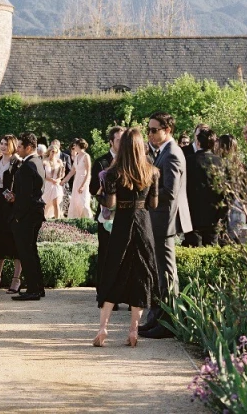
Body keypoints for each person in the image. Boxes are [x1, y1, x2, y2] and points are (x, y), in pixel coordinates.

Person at [94, 128, 160, 348]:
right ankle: (133, 330)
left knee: (113, 271)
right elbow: (154, 204)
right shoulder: (152, 172)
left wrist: (100, 197)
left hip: (122, 225)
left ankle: (103, 328)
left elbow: (110, 203)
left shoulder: (113, 173)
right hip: (143, 224)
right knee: (140, 276)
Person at [139, 112, 192, 339]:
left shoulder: (172, 154)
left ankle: (168, 323)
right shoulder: (163, 153)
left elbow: (170, 192)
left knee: (167, 273)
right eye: (148, 130)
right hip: (160, 219)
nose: (149, 134)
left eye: (153, 130)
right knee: (159, 272)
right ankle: (157, 319)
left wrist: (145, 194)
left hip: (165, 220)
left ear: (167, 130)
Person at [5, 132, 45, 301]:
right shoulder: (37, 162)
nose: (18, 149)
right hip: (34, 213)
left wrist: (17, 215)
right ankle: (38, 287)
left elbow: (27, 196)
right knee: (31, 251)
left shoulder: (29, 165)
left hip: (27, 215)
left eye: (20, 146)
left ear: (29, 147)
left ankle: (33, 289)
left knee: (26, 252)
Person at [90, 126, 124, 295]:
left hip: (124, 214)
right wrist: (105, 198)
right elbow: (92, 188)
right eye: (119, 139)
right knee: (105, 252)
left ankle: (119, 291)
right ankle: (104, 291)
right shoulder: (101, 162)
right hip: (106, 215)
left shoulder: (129, 160)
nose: (122, 142)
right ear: (111, 142)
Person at [0, 135, 23, 293]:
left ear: (13, 145)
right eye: (1, 144)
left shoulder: (17, 162)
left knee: (15, 241)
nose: (2, 146)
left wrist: (14, 196)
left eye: (5, 144)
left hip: (12, 205)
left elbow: (21, 184)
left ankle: (16, 279)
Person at [185, 128, 228, 246]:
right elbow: (227, 191)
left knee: (192, 250)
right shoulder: (221, 163)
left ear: (198, 142)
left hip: (192, 214)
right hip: (214, 214)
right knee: (211, 249)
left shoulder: (188, 161)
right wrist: (222, 213)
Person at [62, 138, 93, 218]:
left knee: (83, 202)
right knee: (75, 201)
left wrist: (83, 186)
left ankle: (87, 220)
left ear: (79, 145)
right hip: (76, 181)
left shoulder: (86, 156)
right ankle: (75, 220)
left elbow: (88, 172)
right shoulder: (76, 156)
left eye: (75, 145)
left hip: (84, 181)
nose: (73, 147)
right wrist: (64, 180)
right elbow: (72, 171)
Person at [42, 143, 65, 219]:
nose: (54, 153)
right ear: (49, 151)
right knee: (46, 204)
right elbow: (42, 174)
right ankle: (43, 220)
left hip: (56, 184)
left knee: (56, 203)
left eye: (55, 152)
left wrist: (58, 179)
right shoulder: (44, 161)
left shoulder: (59, 161)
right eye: (52, 151)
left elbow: (62, 173)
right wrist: (50, 179)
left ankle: (57, 220)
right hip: (48, 184)